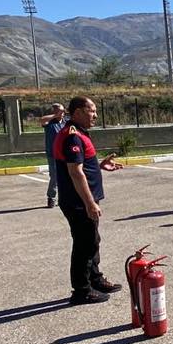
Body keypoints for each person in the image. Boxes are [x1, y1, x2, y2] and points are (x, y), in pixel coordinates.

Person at [53, 97, 124, 304]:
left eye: (94, 111)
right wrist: (90, 203)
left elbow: (81, 165)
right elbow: (75, 172)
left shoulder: (78, 133)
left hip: (83, 200)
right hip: (78, 202)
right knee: (84, 244)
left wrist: (100, 165)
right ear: (76, 112)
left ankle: (94, 279)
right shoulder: (72, 136)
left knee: (92, 241)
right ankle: (82, 290)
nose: (95, 115)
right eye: (90, 111)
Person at [39, 103, 67, 208]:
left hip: (65, 154)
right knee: (54, 176)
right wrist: (55, 115)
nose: (63, 113)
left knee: (67, 176)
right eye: (60, 111)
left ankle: (64, 198)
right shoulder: (50, 122)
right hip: (53, 154)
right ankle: (51, 198)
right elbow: (41, 120)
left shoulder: (66, 122)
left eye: (63, 111)